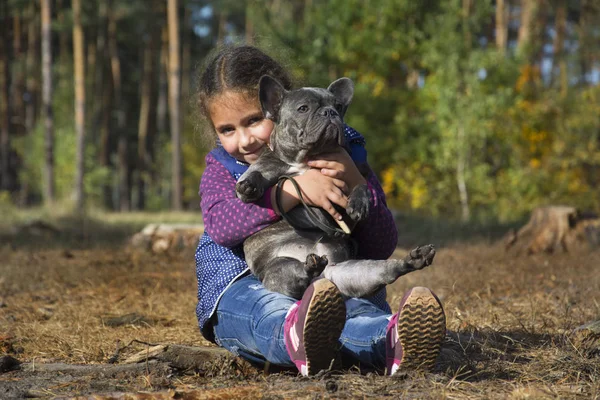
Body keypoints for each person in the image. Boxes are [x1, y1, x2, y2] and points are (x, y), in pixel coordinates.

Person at [194, 45, 446, 376]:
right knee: (262, 310)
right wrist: (291, 193)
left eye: (254, 120)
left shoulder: (344, 155)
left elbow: (382, 243)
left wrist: (356, 179)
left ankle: (393, 338)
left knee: (354, 310)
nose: (244, 140)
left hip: (331, 276)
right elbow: (223, 226)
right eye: (227, 129)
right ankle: (296, 334)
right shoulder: (222, 168)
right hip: (242, 281)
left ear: (277, 107)